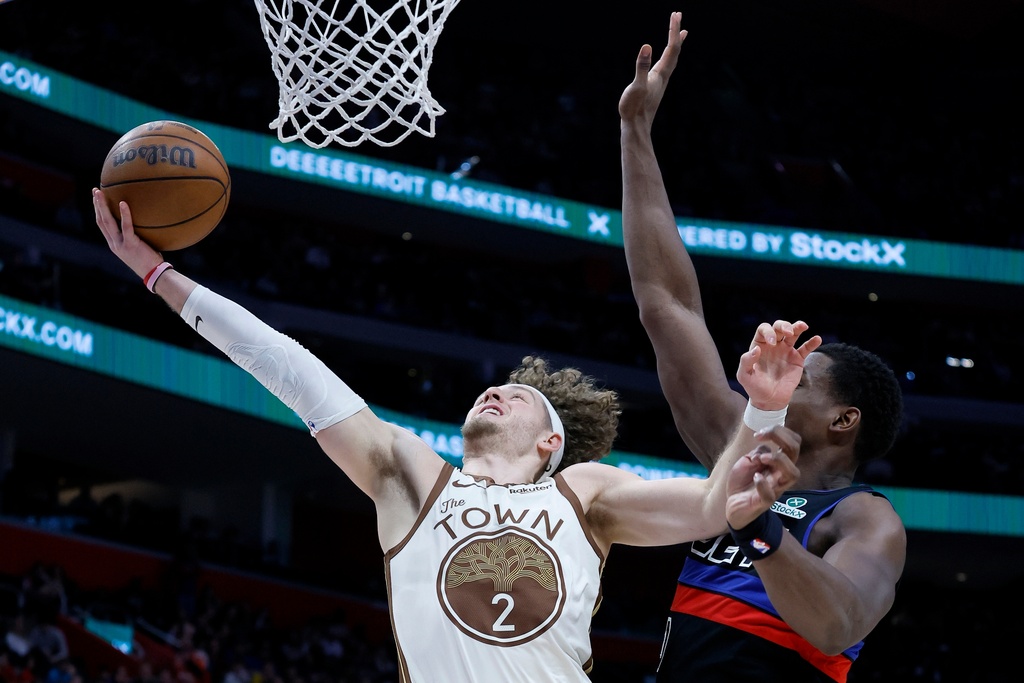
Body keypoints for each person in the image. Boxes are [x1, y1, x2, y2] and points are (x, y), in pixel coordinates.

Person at [92, 187, 806, 682]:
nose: (494, 389)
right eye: (491, 388)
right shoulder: (410, 473)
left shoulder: (583, 492)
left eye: (516, 394)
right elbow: (291, 368)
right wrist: (158, 274)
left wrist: (764, 408)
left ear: (550, 442)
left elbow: (721, 502)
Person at [619, 12, 908, 683]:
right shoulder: (737, 441)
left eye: (805, 374)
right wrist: (635, 132)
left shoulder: (864, 517)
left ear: (844, 419)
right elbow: (668, 304)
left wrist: (757, 528)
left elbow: (838, 623)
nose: (784, 370)